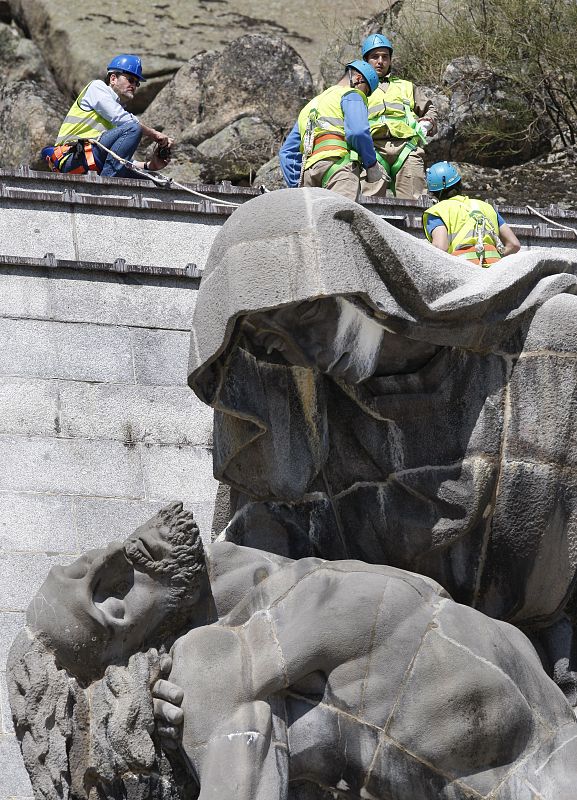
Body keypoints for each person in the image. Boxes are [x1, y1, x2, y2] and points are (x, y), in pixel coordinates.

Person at [17, 502, 577, 800]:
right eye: (104, 591)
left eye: (81, 558)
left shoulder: (255, 555)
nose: (115, 547)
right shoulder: (208, 676)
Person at [41, 54, 173, 178]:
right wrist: (154, 134)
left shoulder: (118, 117)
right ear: (113, 78)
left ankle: (108, 182)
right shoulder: (96, 87)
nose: (133, 85)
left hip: (91, 160)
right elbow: (121, 118)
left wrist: (150, 165)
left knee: (153, 178)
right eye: (131, 80)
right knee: (133, 128)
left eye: (136, 83)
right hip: (74, 157)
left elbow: (121, 160)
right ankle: (107, 185)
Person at [280, 59, 386, 201]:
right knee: (340, 221)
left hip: (309, 177)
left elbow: (287, 153)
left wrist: (297, 185)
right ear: (358, 79)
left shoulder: (309, 106)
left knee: (313, 222)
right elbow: (358, 131)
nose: (364, 96)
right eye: (366, 91)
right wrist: (371, 164)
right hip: (339, 172)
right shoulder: (351, 94)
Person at [360, 33, 438, 199]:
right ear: (366, 60)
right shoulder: (359, 89)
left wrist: (428, 123)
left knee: (416, 203)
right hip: (371, 150)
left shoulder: (406, 86)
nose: (380, 61)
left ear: (390, 60)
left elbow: (430, 109)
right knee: (369, 206)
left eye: (385, 57)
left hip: (407, 149)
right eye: (375, 57)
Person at [423, 161, 521, 266]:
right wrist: (494, 259)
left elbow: (440, 247)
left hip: (463, 270)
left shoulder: (437, 211)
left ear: (434, 193)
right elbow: (514, 244)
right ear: (459, 183)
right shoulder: (486, 207)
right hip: (494, 271)